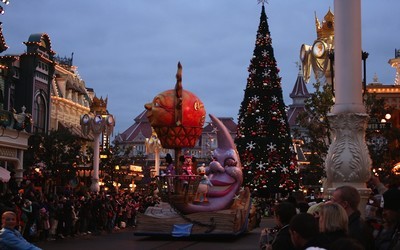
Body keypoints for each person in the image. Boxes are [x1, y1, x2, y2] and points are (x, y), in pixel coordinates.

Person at [331, 185, 375, 250]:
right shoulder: (350, 224)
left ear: (344, 204)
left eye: (334, 201)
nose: (331, 203)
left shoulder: (357, 230)